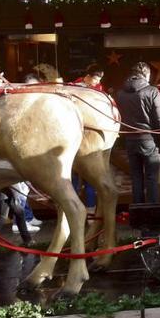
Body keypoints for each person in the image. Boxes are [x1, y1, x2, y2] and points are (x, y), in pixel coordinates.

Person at [116, 62, 160, 204]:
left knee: (136, 178)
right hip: (149, 140)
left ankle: (138, 216)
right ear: (146, 74)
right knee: (152, 179)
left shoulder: (120, 93)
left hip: (130, 140)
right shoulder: (152, 91)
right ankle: (152, 216)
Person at [72, 64, 105, 210]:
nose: (98, 82)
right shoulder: (73, 87)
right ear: (89, 76)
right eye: (97, 79)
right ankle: (72, 209)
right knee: (72, 178)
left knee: (90, 179)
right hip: (73, 137)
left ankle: (91, 210)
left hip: (90, 138)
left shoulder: (99, 90)